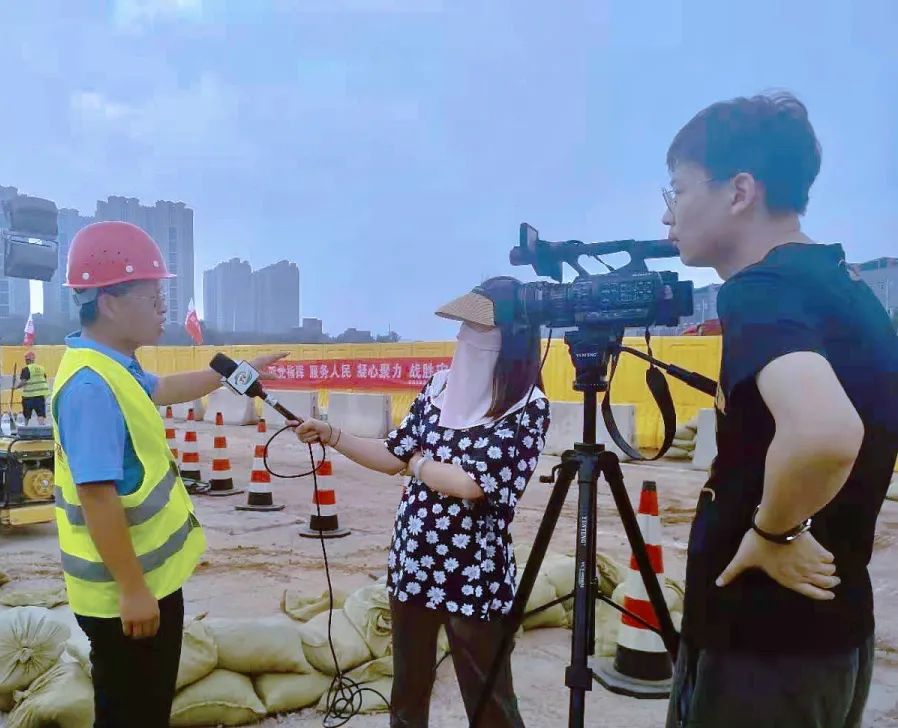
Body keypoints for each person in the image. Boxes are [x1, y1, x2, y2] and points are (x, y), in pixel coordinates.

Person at [660, 92, 898, 727]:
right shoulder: (844, 287)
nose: (667, 216)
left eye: (678, 190)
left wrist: (774, 533)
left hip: (762, 648)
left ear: (739, 191)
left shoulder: (760, 290)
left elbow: (825, 432)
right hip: (827, 639)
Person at [51, 220, 285, 728]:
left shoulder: (115, 365)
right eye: (154, 298)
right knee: (132, 714)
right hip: (123, 594)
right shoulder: (90, 386)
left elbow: (167, 388)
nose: (164, 310)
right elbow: (97, 497)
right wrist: (133, 589)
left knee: (146, 708)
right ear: (110, 303)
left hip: (143, 583)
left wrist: (238, 371)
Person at [295, 276, 551, 728]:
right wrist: (333, 435)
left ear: (511, 337)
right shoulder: (437, 390)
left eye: (479, 329)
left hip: (475, 574)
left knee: (489, 699)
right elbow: (392, 454)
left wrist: (417, 465)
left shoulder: (526, 407)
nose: (464, 338)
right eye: (464, 327)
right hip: (413, 562)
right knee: (408, 692)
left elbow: (471, 484)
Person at [15, 350, 50, 424]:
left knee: (27, 415)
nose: (25, 361)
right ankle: (41, 427)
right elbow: (44, 379)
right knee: (40, 414)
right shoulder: (41, 368)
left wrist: (15, 387)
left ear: (28, 360)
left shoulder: (26, 369)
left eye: (26, 359)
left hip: (28, 396)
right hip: (40, 396)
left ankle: (25, 426)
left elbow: (23, 382)